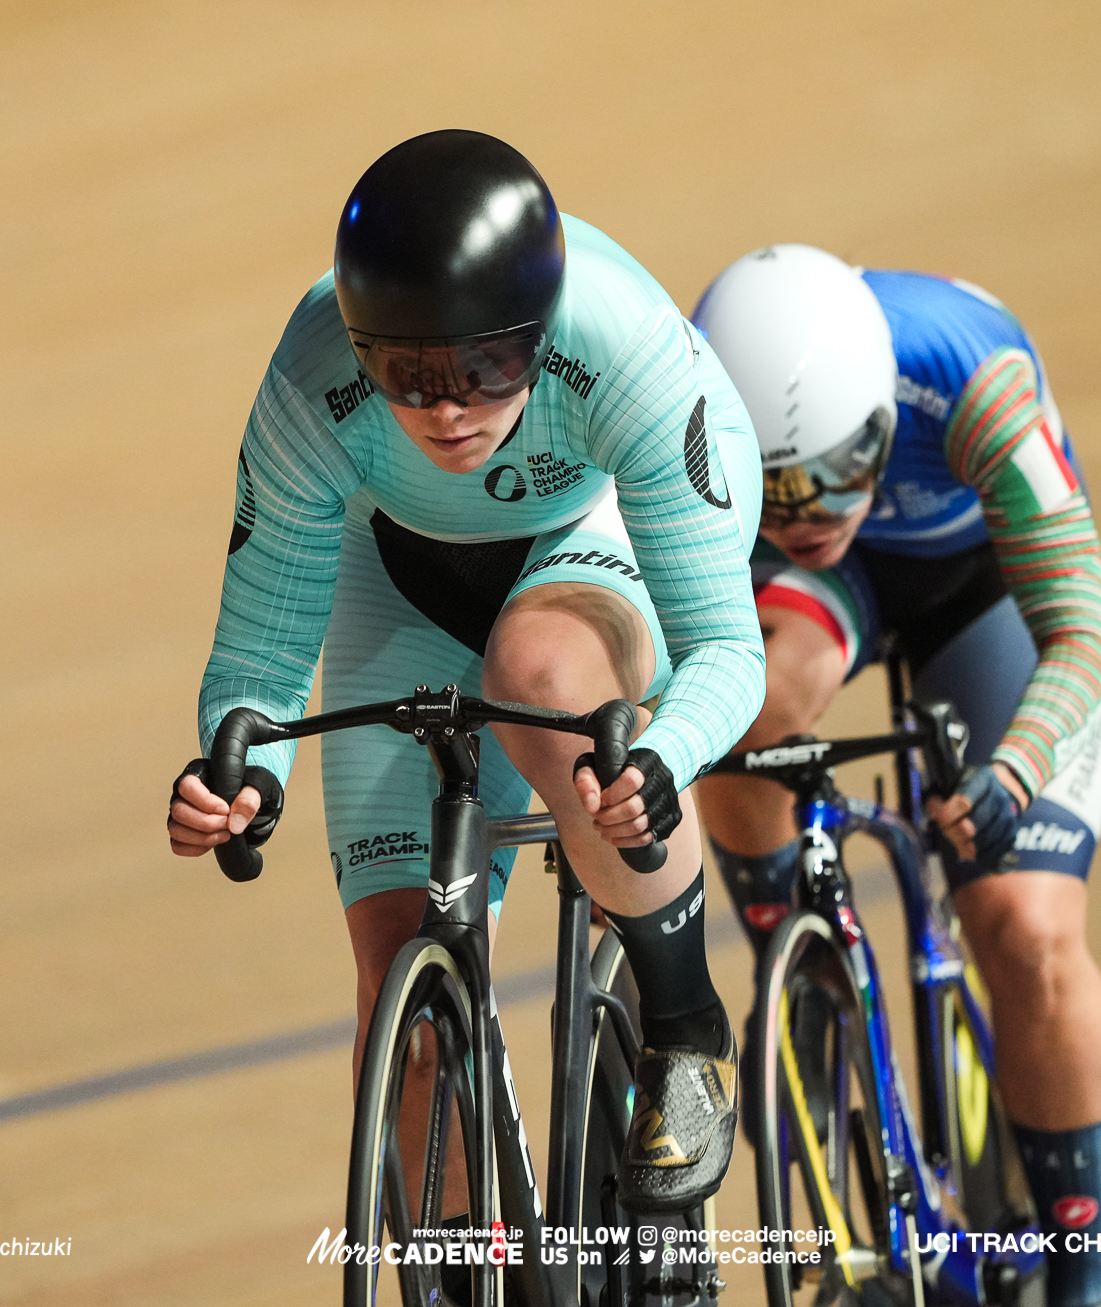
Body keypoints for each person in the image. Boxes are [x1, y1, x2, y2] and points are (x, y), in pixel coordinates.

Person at [164, 130, 765, 1220]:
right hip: (399, 560)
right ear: (359, 349)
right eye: (408, 375)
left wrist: (663, 755)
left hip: (596, 529)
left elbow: (728, 648)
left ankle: (683, 1019)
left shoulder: (617, 344)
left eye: (487, 368)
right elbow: (260, 651)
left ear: (539, 333)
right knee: (398, 979)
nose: (448, 409)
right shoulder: (308, 382)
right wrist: (243, 777)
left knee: (538, 669)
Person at [691, 245, 1101, 1307]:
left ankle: (1082, 1273)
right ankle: (787, 966)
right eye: (778, 487)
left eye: (842, 470)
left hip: (978, 583)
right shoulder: (693, 406)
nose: (811, 507)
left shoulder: (977, 384)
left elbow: (1085, 634)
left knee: (1026, 928)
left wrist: (1014, 771)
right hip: (818, 594)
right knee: (740, 709)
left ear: (885, 419)